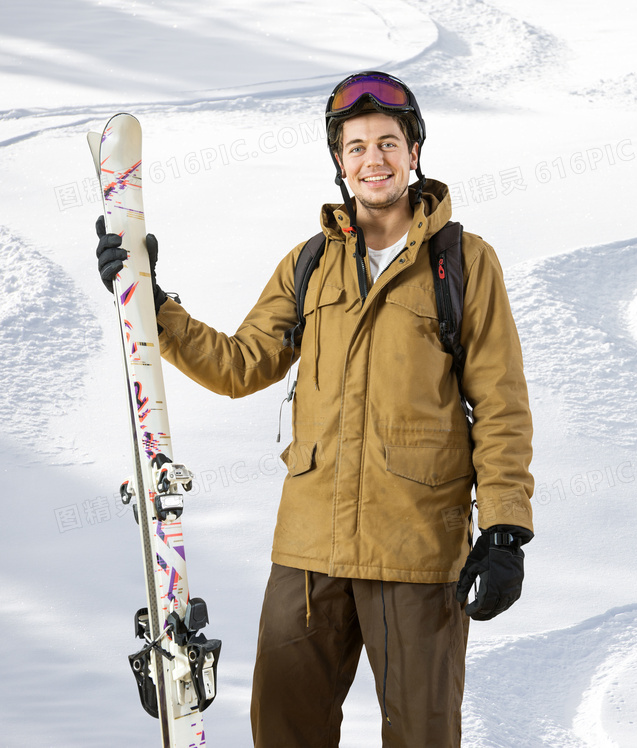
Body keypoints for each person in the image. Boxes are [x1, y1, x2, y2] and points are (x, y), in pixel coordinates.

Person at [95, 71, 535, 748]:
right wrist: (154, 307)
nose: (373, 159)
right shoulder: (309, 264)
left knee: (423, 734)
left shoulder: (464, 264)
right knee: (283, 730)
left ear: (414, 151)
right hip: (309, 549)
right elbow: (240, 365)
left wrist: (504, 531)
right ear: (339, 161)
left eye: (388, 142)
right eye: (356, 146)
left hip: (416, 549)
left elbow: (501, 405)